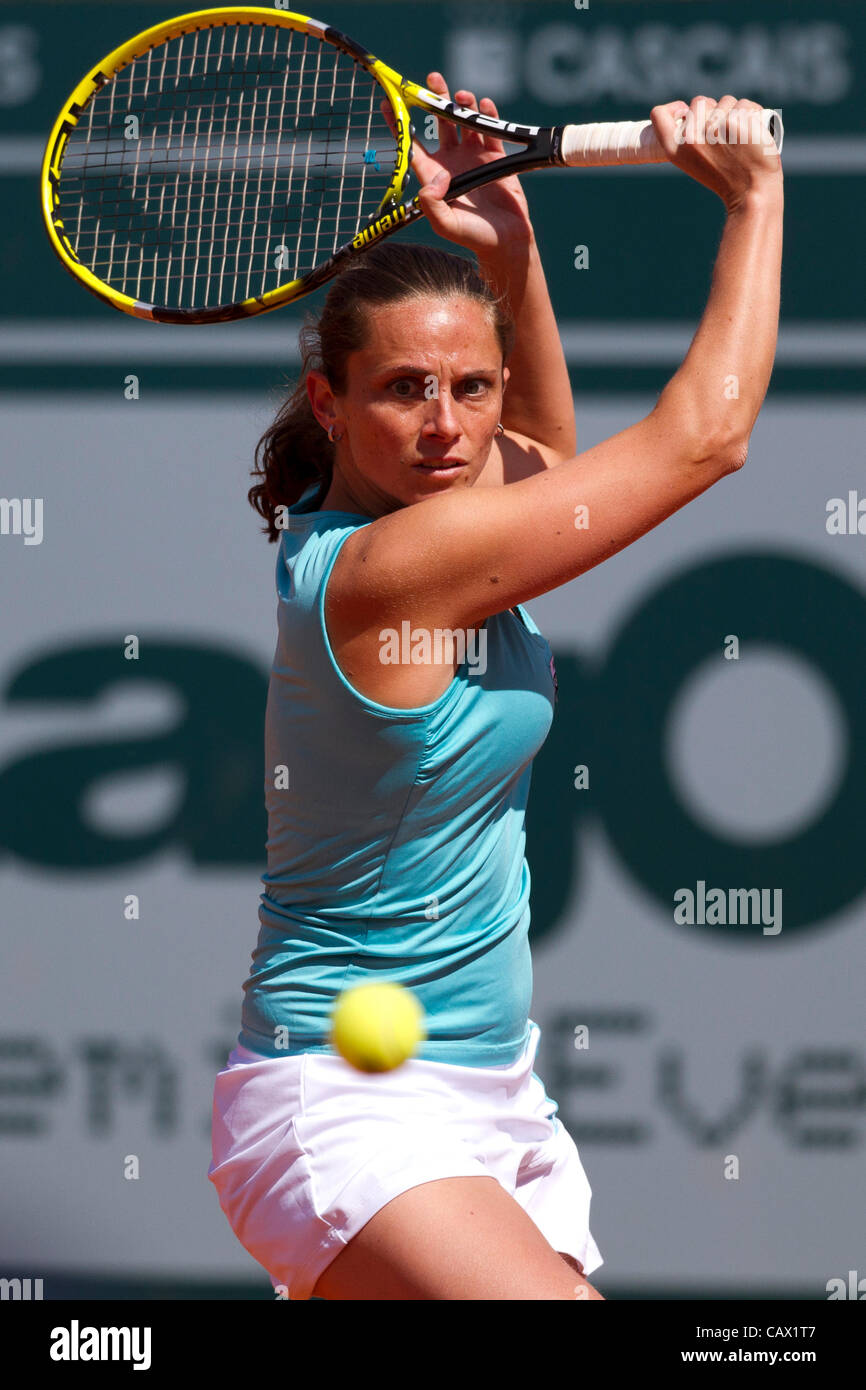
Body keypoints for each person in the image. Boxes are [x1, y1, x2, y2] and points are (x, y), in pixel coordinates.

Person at [207, 77, 783, 1301]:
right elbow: (705, 436)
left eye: (470, 388)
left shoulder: (445, 520)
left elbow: (555, 467)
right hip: (344, 1102)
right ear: (328, 400)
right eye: (402, 389)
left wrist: (514, 249)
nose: (444, 426)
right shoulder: (391, 568)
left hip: (490, 1095)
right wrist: (753, 204)